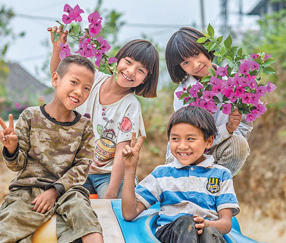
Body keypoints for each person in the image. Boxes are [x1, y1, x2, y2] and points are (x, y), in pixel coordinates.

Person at [0, 55, 103, 243]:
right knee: (1, 235)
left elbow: (82, 167)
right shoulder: (30, 116)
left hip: (68, 192)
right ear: (55, 79)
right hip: (27, 191)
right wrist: (12, 148)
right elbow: (18, 166)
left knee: (89, 227)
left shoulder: (85, 126)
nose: (79, 91)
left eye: (86, 88)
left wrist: (54, 191)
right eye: (74, 82)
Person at [48, 26, 159, 199]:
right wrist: (57, 48)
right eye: (128, 62)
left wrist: (110, 196)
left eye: (140, 70)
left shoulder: (131, 106)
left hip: (109, 175)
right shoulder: (93, 77)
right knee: (55, 197)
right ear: (117, 59)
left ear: (145, 79)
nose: (131, 71)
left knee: (117, 212)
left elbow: (122, 155)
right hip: (79, 168)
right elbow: (61, 79)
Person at [122, 106, 240, 243]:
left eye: (190, 139)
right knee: (186, 221)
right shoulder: (162, 174)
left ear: (208, 141)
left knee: (210, 233)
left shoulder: (221, 175)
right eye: (175, 139)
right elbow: (129, 213)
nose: (182, 146)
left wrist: (207, 224)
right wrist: (130, 169)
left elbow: (226, 223)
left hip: (207, 234)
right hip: (170, 235)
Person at [165, 27, 252, 176]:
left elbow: (244, 127)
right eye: (186, 62)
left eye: (196, 54)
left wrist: (232, 128)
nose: (196, 64)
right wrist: (226, 129)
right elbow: (187, 135)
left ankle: (215, 188)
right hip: (187, 152)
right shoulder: (183, 94)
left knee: (239, 144)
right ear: (180, 68)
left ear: (207, 47)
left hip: (219, 150)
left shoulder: (233, 83)